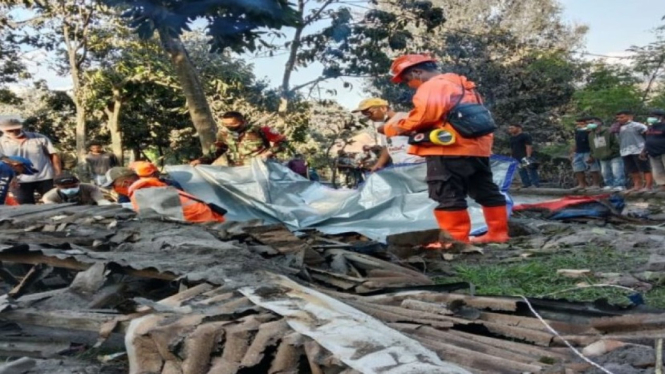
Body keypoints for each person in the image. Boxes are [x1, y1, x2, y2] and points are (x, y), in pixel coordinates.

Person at [380, 54, 508, 246]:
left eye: (408, 80)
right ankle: (498, 234)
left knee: (448, 194)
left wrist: (393, 127)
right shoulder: (464, 85)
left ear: (417, 72)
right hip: (477, 149)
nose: (409, 85)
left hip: (448, 150)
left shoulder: (433, 85)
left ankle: (455, 241)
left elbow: (424, 116)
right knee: (486, 190)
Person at [104, 167, 225, 223]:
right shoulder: (151, 186)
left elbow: (154, 221)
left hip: (204, 223)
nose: (114, 190)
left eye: (113, 186)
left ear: (125, 182)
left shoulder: (142, 192)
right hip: (207, 219)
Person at [191, 111, 287, 167]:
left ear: (243, 122)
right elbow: (217, 150)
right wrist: (201, 161)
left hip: (262, 168)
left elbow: (282, 143)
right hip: (239, 170)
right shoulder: (224, 134)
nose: (229, 127)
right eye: (226, 125)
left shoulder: (260, 130)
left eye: (233, 125)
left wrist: (268, 153)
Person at [0, 117, 61, 204]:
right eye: (10, 130)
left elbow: (53, 154)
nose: (14, 132)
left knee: (53, 203)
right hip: (19, 181)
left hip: (45, 178)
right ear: (3, 130)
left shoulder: (40, 138)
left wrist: (58, 173)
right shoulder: (1, 142)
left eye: (16, 129)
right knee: (25, 207)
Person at [353, 98, 424, 170]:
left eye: (369, 113)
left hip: (419, 164)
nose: (369, 117)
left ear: (383, 108)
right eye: (365, 115)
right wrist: (378, 165)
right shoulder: (384, 126)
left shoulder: (406, 117)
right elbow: (387, 147)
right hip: (401, 167)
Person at [616, 110, 653, 192]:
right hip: (625, 151)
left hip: (638, 150)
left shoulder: (638, 125)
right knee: (632, 169)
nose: (619, 119)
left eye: (622, 117)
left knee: (645, 168)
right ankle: (637, 185)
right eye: (618, 118)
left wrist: (645, 149)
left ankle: (648, 186)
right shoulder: (617, 127)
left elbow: (648, 135)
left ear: (630, 117)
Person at [586, 117, 625, 191]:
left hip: (614, 155)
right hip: (601, 156)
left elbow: (616, 142)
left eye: (591, 122)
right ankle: (609, 185)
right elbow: (591, 146)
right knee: (605, 172)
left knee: (617, 171)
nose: (589, 124)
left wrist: (611, 151)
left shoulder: (609, 130)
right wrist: (593, 155)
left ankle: (619, 185)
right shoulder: (591, 134)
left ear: (599, 122)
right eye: (588, 123)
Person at [570, 117, 601, 190]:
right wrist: (572, 152)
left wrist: (593, 154)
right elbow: (576, 142)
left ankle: (595, 184)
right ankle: (582, 184)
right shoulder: (577, 131)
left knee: (593, 168)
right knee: (577, 168)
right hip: (578, 152)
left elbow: (595, 143)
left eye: (582, 123)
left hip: (588, 151)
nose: (579, 125)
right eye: (578, 124)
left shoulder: (591, 131)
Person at [42, 172, 110, 205]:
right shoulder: (49, 197)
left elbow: (101, 201)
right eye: (65, 187)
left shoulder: (90, 188)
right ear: (56, 186)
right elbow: (53, 210)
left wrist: (105, 203)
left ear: (79, 183)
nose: (70, 189)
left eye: (73, 186)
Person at [508, 124, 539, 188]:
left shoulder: (525, 136)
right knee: (521, 170)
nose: (510, 130)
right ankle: (526, 183)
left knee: (531, 169)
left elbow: (528, 145)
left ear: (519, 128)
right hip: (516, 156)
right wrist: (511, 156)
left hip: (525, 155)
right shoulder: (512, 138)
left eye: (512, 128)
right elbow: (512, 148)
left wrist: (528, 156)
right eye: (510, 128)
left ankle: (535, 183)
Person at [642, 109, 665, 191]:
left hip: (663, 151)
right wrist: (644, 150)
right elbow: (647, 139)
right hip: (652, 152)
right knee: (657, 170)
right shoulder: (650, 127)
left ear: (661, 117)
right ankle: (663, 186)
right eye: (650, 116)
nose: (651, 118)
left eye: (653, 116)